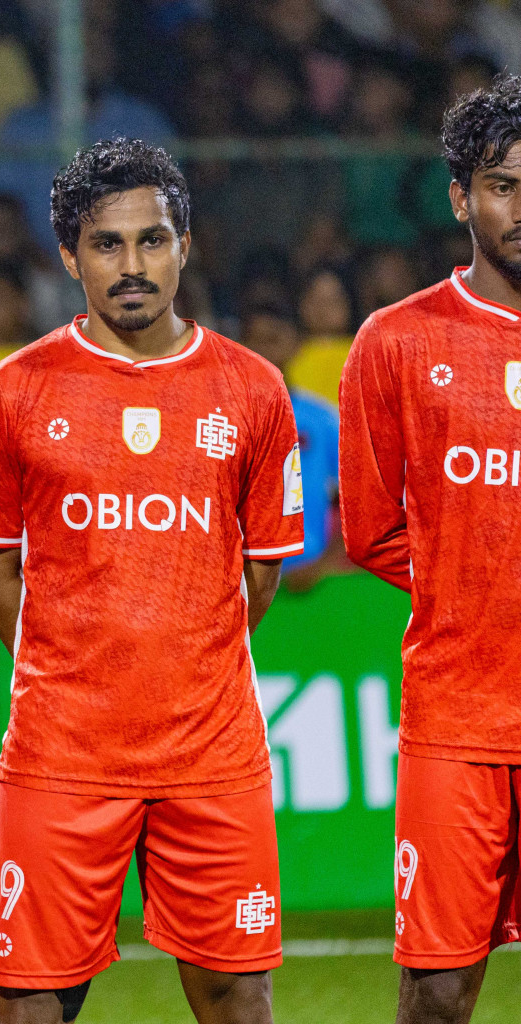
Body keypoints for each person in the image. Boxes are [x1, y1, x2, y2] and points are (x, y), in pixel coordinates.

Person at [0, 139, 304, 1024]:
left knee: (238, 995)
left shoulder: (254, 392)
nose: (133, 265)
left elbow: (260, 572)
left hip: (212, 754)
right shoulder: (11, 393)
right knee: (33, 1001)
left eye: (153, 240)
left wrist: (188, 662)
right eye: (107, 245)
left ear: (185, 244)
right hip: (61, 754)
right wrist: (68, 671)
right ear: (70, 255)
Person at [338, 72, 521, 1024]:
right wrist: (474, 574)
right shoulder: (397, 342)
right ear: (461, 198)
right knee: (440, 992)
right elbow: (370, 529)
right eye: (502, 184)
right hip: (460, 716)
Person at [239, 299, 343, 590]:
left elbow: (358, 500)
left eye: (274, 340)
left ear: (295, 344)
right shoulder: (223, 419)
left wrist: (325, 563)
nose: (266, 351)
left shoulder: (323, 419)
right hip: (240, 578)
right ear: (242, 346)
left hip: (308, 581)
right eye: (257, 341)